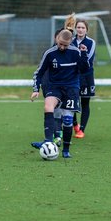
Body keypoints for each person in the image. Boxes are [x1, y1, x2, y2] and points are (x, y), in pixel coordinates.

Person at [30, 28, 89, 158]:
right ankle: (48, 141)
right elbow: (38, 72)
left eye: (65, 45)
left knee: (68, 120)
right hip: (55, 86)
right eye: (60, 44)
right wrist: (36, 89)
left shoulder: (76, 52)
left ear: (70, 43)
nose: (62, 47)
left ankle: (66, 150)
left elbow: (84, 70)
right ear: (57, 39)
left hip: (71, 88)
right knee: (48, 106)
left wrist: (84, 54)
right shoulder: (50, 53)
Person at [72, 19, 96, 138]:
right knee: (71, 102)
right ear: (75, 28)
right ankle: (75, 124)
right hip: (73, 76)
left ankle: (81, 130)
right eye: (78, 27)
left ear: (86, 30)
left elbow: (88, 62)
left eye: (83, 28)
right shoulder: (71, 42)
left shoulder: (91, 42)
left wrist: (82, 54)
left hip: (86, 76)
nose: (80, 29)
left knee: (85, 102)